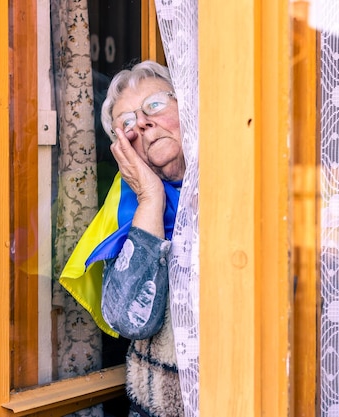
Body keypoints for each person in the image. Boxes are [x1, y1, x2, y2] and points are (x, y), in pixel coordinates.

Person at [98, 60, 186, 417]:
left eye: (154, 105)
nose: (144, 123)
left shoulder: (234, 179)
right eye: (127, 123)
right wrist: (151, 198)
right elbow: (131, 319)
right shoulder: (130, 206)